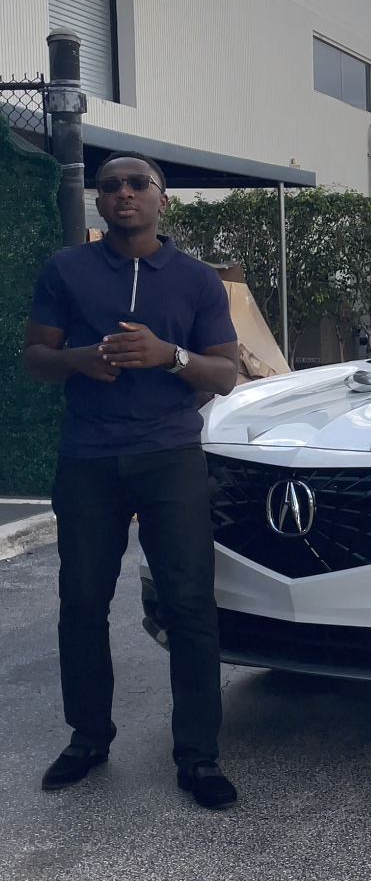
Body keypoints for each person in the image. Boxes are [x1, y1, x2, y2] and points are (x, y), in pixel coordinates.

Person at [22, 152, 240, 809]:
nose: (124, 192)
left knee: (190, 605)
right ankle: (88, 738)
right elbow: (35, 358)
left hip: (170, 456)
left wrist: (168, 355)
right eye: (110, 184)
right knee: (82, 603)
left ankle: (198, 756)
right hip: (88, 459)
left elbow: (225, 373)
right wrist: (80, 359)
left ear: (161, 199)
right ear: (99, 200)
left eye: (138, 183)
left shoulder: (198, 280)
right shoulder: (67, 269)